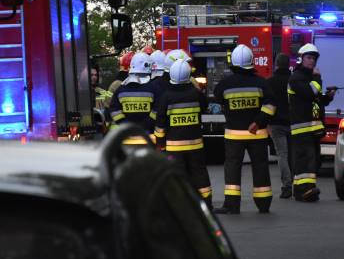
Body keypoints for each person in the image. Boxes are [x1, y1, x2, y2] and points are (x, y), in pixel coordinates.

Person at [212, 45, 275, 214]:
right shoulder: (262, 83)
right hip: (257, 134)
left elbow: (217, 98)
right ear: (251, 62)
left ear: (233, 63)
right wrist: (258, 121)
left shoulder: (224, 85)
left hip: (233, 136)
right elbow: (270, 106)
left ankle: (232, 205)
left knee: (232, 169)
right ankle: (264, 203)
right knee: (260, 168)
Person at [155, 60, 212, 208]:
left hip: (174, 147)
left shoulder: (166, 97)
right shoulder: (196, 94)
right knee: (199, 174)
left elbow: (160, 123)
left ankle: (180, 206)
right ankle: (206, 203)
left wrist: (160, 143)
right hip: (195, 144)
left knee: (177, 177)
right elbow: (205, 107)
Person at [287, 43, 337, 202]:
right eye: (309, 58)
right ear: (301, 59)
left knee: (311, 159)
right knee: (305, 161)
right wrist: (317, 78)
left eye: (314, 58)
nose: (312, 61)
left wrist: (328, 97)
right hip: (301, 128)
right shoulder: (296, 78)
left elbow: (314, 100)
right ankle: (305, 191)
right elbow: (310, 93)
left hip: (311, 128)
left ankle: (302, 190)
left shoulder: (308, 78)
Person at [108, 51, 158, 146]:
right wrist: (147, 124)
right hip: (147, 137)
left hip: (126, 137)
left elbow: (114, 109)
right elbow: (158, 109)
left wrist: (125, 124)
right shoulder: (153, 88)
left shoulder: (121, 89)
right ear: (147, 67)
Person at [266, 53, 293, 199]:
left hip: (276, 124)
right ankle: (299, 184)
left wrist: (266, 123)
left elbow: (267, 104)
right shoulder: (293, 80)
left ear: (276, 64)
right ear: (288, 64)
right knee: (293, 155)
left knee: (282, 155)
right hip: (294, 123)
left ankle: (287, 186)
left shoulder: (270, 82)